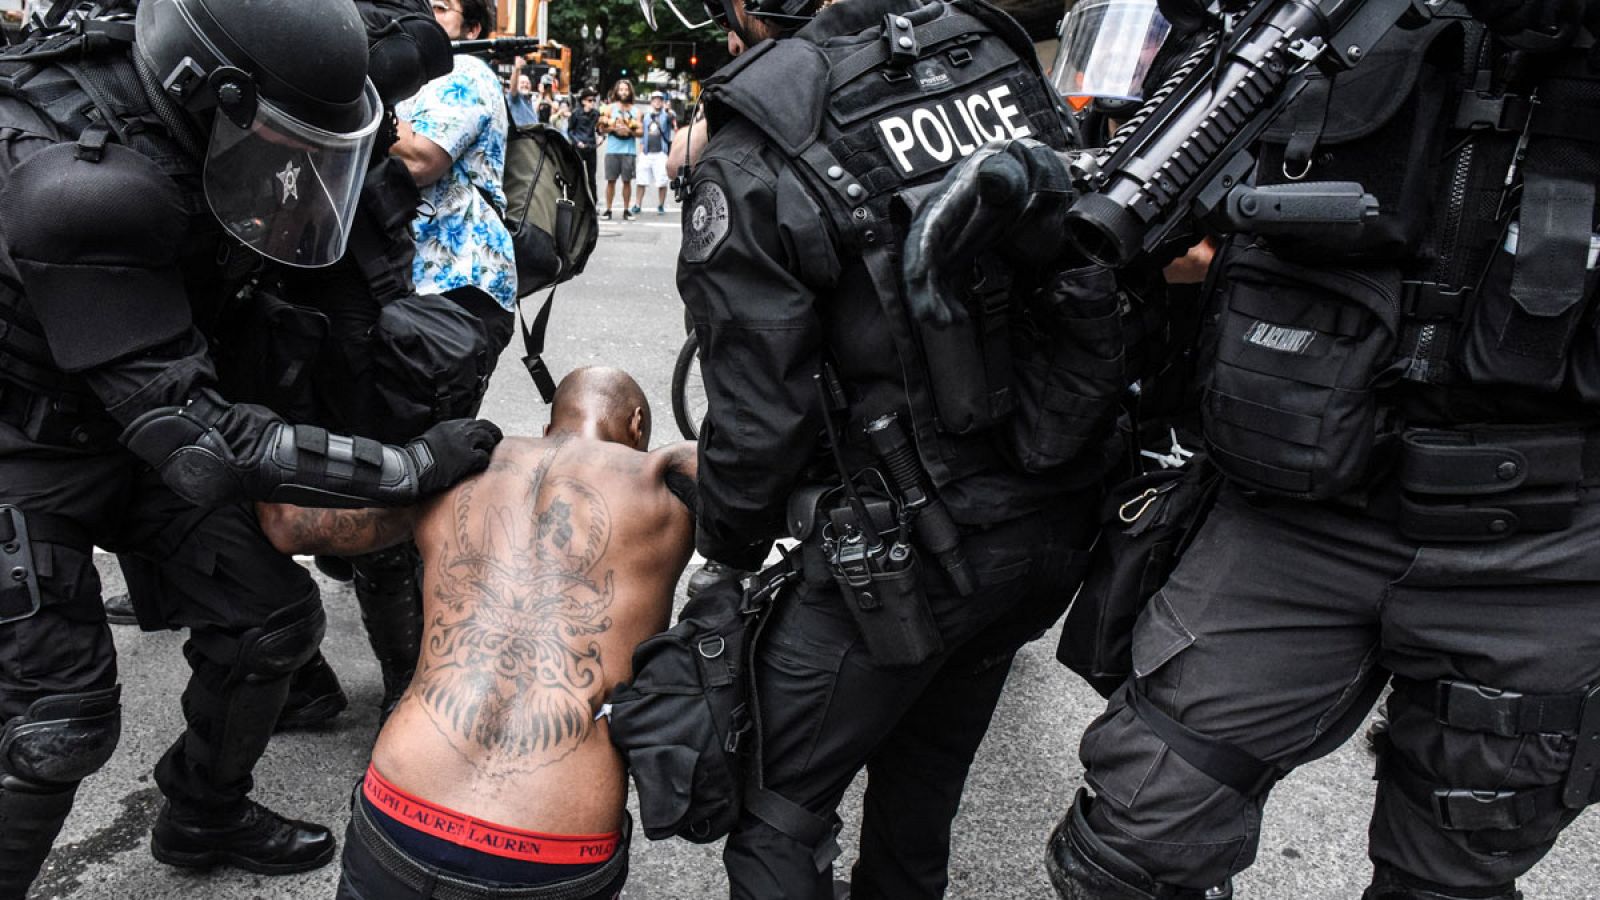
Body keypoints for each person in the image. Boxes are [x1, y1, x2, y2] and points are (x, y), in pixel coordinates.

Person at [927, 3, 1600, 899]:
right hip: (1294, 501)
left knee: (1452, 879)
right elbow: (1147, 199)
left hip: (1546, 538)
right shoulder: (1334, 17)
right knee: (1131, 849)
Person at [0, 0, 504, 894]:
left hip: (127, 412)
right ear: (215, 98)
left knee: (271, 622)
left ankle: (204, 814)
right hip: (21, 446)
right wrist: (408, 467)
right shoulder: (89, 186)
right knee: (58, 720)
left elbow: (405, 48)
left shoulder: (239, 80)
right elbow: (200, 444)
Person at [676, 0, 1122, 896]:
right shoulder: (984, 45)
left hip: (904, 549)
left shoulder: (762, 133)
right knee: (924, 782)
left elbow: (759, 419)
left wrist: (726, 554)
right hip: (1047, 515)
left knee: (777, 809)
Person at [256, 367, 698, 900]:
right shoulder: (665, 474)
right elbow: (768, 491)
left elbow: (290, 525)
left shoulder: (456, 469)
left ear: (547, 426)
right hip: (553, 848)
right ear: (637, 424)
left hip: (402, 810)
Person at [390, 0, 517, 311]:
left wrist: (359, 105)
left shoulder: (464, 72)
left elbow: (420, 160)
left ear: (472, 30)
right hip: (426, 280)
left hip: (460, 280)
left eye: (441, 8)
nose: (427, 13)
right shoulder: (420, 78)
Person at [597, 79, 641, 221]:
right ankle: (608, 210)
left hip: (629, 151)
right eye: (621, 89)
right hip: (612, 150)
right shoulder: (609, 108)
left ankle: (626, 210)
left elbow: (641, 132)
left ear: (630, 92)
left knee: (627, 182)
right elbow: (601, 129)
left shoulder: (636, 111)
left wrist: (629, 130)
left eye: (626, 89)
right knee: (611, 181)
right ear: (616, 91)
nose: (623, 92)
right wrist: (614, 128)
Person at [635, 90, 675, 216]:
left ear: (663, 102)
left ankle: (661, 205)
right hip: (647, 152)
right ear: (651, 102)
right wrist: (641, 150)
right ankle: (637, 204)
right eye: (655, 99)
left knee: (662, 181)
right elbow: (643, 133)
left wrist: (668, 110)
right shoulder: (647, 116)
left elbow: (672, 119)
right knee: (641, 180)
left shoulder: (666, 115)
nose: (657, 102)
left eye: (660, 100)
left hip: (661, 153)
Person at [570, 89, 601, 197]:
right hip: (579, 147)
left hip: (591, 147)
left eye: (593, 100)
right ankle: (573, 199)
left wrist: (601, 137)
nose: (592, 102)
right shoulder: (576, 113)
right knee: (576, 175)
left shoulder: (596, 114)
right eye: (589, 100)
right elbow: (570, 130)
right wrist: (577, 141)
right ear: (583, 101)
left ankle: (594, 201)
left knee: (592, 178)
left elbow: (600, 129)